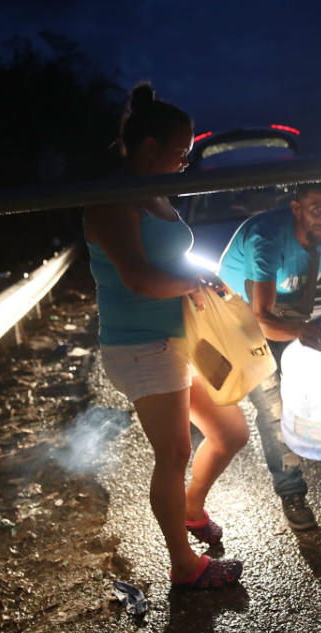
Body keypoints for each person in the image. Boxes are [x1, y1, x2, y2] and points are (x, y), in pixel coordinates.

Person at [84, 82, 247, 589]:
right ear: (149, 148)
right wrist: (193, 282)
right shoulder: (114, 202)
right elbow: (138, 276)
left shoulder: (151, 192)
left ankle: (192, 509)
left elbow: (166, 261)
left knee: (230, 433)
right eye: (181, 151)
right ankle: (184, 565)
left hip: (177, 338)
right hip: (140, 346)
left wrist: (201, 281)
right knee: (174, 453)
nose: (186, 160)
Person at [217, 181, 321, 531]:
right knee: (272, 407)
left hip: (281, 315)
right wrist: (300, 332)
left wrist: (310, 329)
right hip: (240, 321)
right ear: (296, 208)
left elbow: (298, 292)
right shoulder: (265, 240)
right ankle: (291, 491)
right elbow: (262, 318)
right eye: (317, 209)